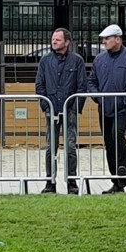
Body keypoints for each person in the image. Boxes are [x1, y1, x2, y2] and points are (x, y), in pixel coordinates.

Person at [86, 23, 126, 193]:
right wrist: (97, 97)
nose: (104, 42)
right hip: (104, 106)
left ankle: (122, 168)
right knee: (109, 142)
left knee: (117, 133)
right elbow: (91, 81)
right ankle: (116, 181)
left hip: (123, 107)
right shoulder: (99, 60)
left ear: (117, 39)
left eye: (107, 38)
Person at [35, 28, 86, 194]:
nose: (54, 42)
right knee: (51, 147)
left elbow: (82, 86)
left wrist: (75, 107)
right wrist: (45, 106)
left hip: (69, 110)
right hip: (51, 109)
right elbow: (39, 85)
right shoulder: (45, 61)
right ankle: (50, 181)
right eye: (53, 39)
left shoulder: (77, 61)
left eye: (57, 39)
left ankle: (72, 181)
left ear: (67, 42)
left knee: (70, 147)